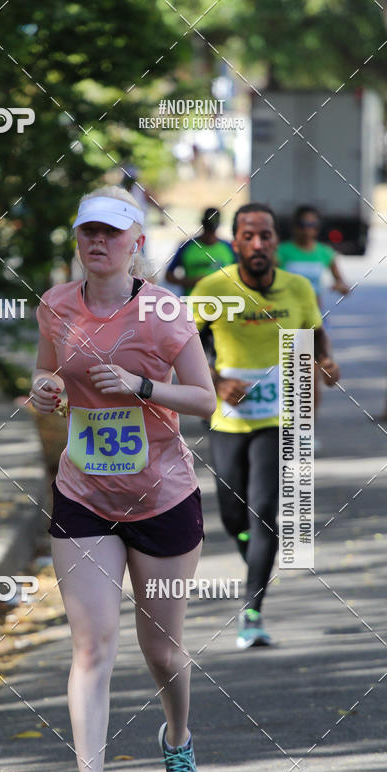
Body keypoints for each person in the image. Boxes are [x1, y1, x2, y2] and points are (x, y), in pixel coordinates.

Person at [32, 185, 216, 772]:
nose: (98, 242)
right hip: (84, 495)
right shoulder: (55, 305)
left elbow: (205, 399)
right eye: (89, 231)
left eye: (111, 232)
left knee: (161, 652)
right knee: (91, 645)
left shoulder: (163, 310)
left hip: (161, 498)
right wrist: (45, 390)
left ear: (136, 243)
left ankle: (179, 740)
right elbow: (45, 377)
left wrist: (141, 387)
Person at [191, 203, 340, 649]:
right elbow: (181, 347)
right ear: (235, 242)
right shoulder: (212, 288)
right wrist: (217, 381)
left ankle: (252, 613)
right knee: (233, 515)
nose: (258, 244)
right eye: (249, 236)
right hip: (228, 419)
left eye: (266, 235)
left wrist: (325, 362)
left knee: (262, 510)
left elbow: (315, 333)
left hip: (280, 415)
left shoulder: (297, 288)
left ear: (277, 241)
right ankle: (258, 553)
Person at [277, 205, 350, 442]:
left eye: (313, 225)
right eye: (303, 224)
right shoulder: (282, 252)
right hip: (286, 321)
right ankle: (283, 429)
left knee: (309, 378)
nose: (308, 230)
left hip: (315, 322)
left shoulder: (324, 253)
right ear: (294, 227)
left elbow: (343, 284)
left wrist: (340, 286)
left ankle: (306, 432)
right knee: (287, 377)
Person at [166, 207, 235, 293]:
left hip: (222, 300)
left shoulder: (229, 247)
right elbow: (168, 275)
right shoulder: (187, 246)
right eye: (208, 230)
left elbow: (240, 274)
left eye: (211, 231)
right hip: (192, 299)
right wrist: (190, 282)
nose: (209, 236)